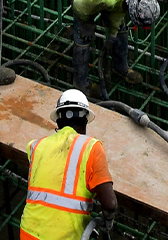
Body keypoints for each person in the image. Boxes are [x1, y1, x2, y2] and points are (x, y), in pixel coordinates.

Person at [19, 89, 117, 240]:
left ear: (58, 120)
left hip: (28, 234)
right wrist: (107, 222)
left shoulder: (36, 146)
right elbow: (110, 204)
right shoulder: (91, 147)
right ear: (85, 121)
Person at [67, 0, 161, 97]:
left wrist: (112, 34)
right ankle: (80, 83)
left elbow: (118, 12)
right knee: (83, 35)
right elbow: (79, 5)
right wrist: (87, 24)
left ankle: (120, 67)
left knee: (120, 28)